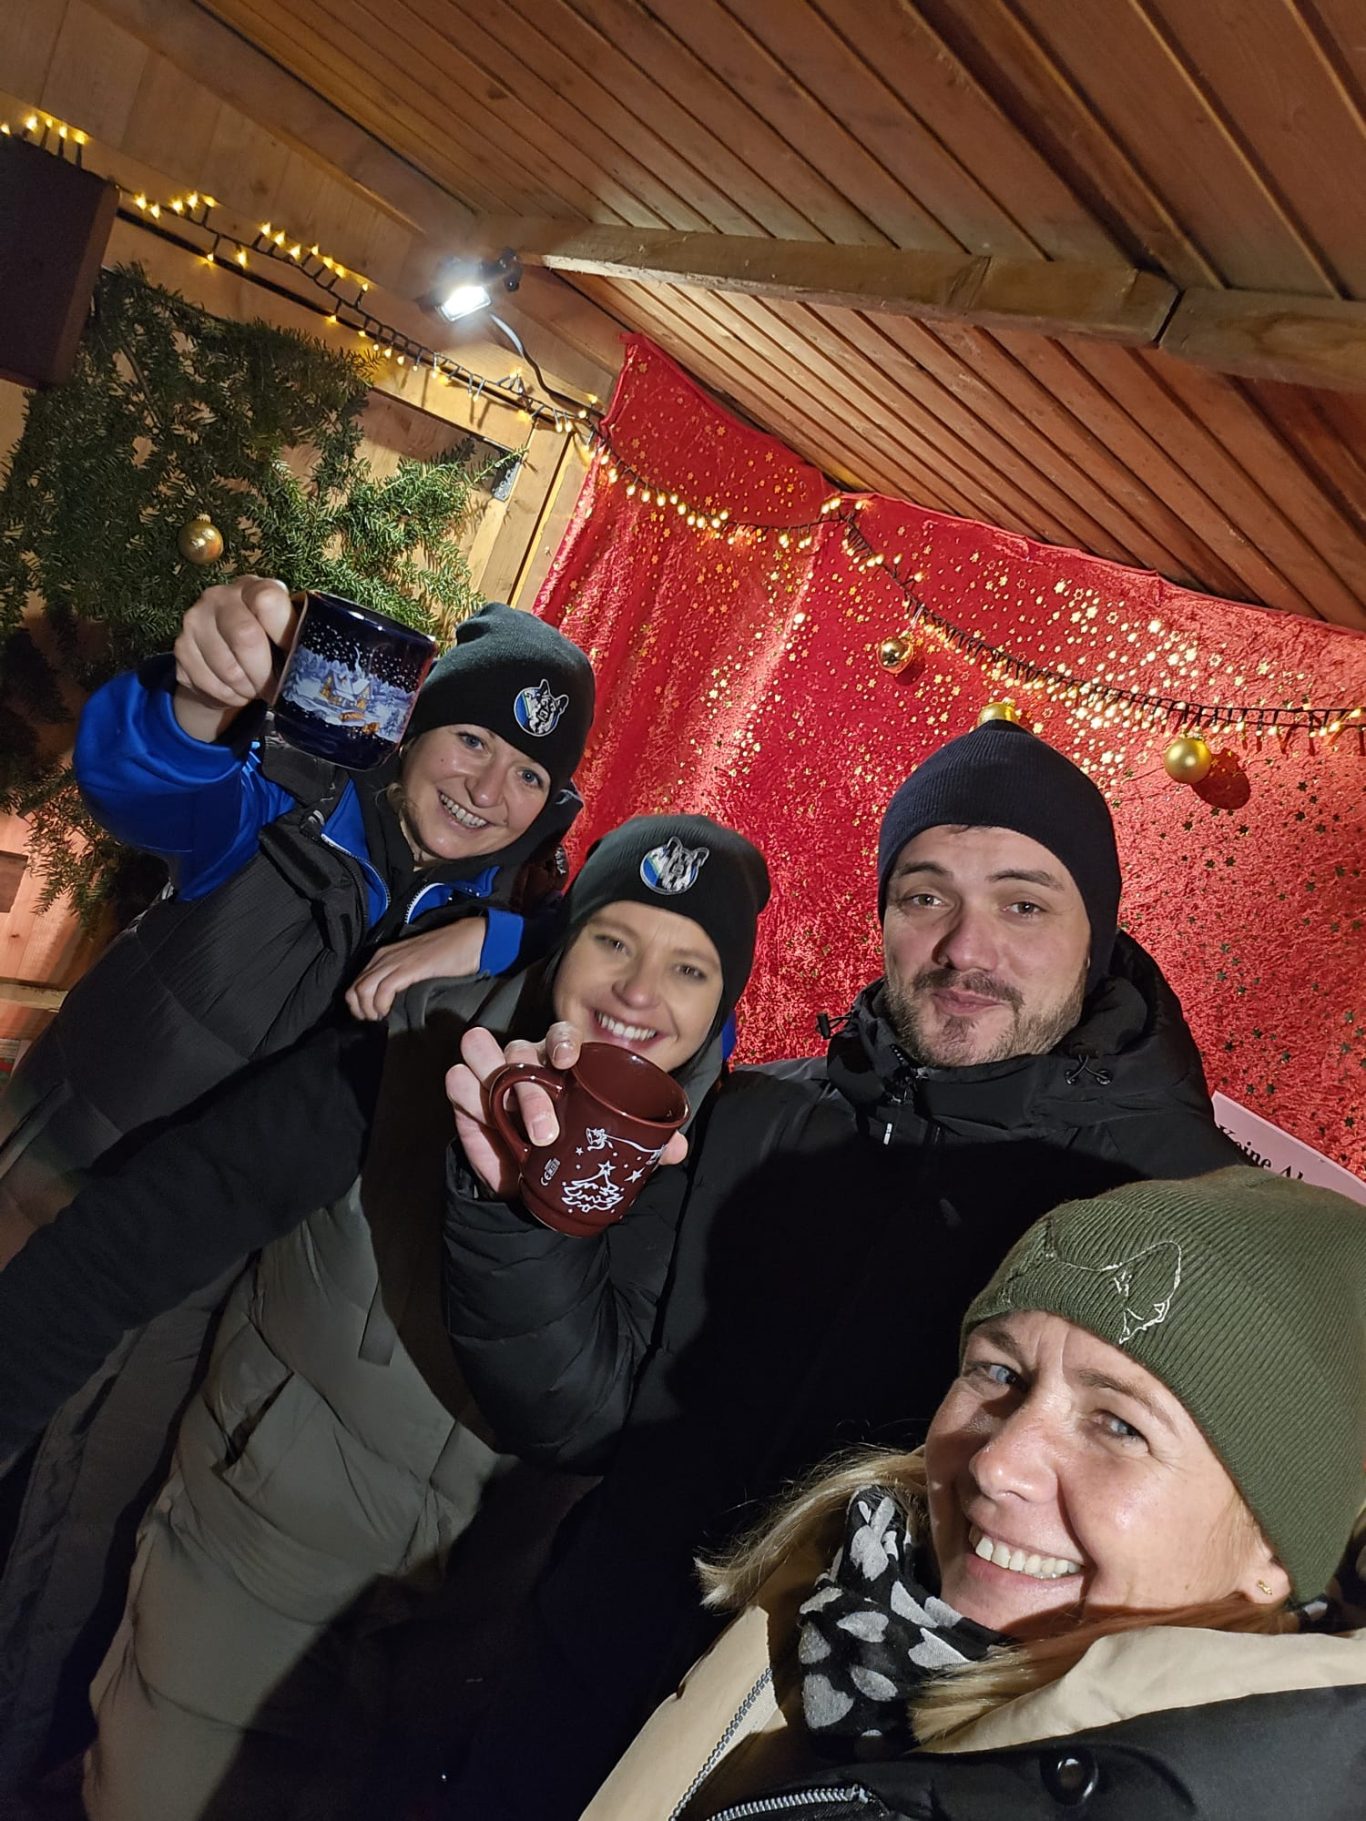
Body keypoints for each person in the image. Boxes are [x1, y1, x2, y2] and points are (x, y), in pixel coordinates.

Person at [439, 718, 1248, 1817]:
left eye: (1022, 904)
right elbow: (580, 1418)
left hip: (849, 1780)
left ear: (1096, 933)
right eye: (924, 896)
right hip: (573, 1696)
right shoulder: (756, 1116)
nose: (964, 948)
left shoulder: (1178, 1215)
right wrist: (519, 1218)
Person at [0, 814, 769, 1819]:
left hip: (452, 1664)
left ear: (722, 1006)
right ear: (563, 942)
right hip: (242, 1589)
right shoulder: (402, 1057)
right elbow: (135, 1237)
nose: (636, 990)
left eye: (689, 968)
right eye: (612, 940)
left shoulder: (714, 1172)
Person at [0, 579, 594, 1791]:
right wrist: (195, 700)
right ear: (413, 729)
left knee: (73, 1547)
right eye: (472, 739)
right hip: (54, 1201)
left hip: (202, 1297)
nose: (488, 787)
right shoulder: (289, 801)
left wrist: (496, 939)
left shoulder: (509, 934)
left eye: (529, 772)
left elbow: (676, 987)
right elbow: (145, 781)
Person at [586, 1167, 1366, 1820]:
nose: (998, 1463)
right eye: (999, 1372)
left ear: (1273, 1550)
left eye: (1120, 1425)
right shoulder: (845, 1594)